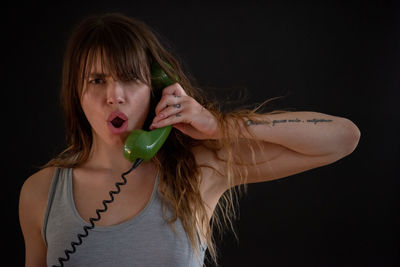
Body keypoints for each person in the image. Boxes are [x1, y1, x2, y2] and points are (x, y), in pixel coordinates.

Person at [18, 12, 361, 267]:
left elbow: (343, 137)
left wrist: (219, 126)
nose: (114, 95)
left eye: (129, 78)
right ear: (75, 93)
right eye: (96, 80)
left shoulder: (200, 170)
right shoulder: (41, 194)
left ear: (157, 88)